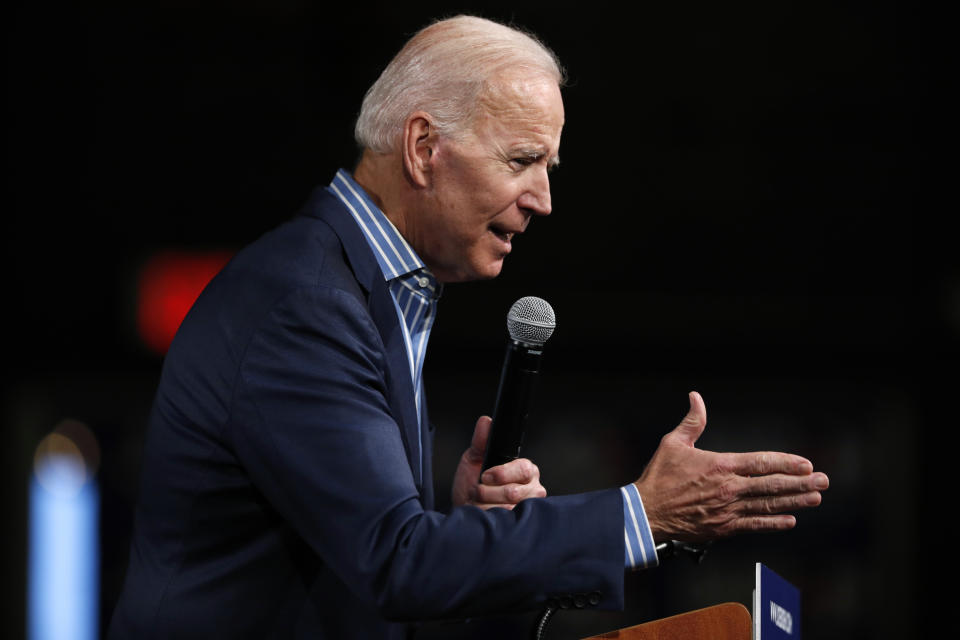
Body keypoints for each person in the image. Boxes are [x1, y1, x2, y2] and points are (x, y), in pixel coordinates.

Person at [108, 15, 829, 639]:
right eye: (522, 160)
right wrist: (640, 514)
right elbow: (399, 563)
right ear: (423, 148)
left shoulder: (369, 287)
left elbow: (366, 556)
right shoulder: (307, 303)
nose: (543, 200)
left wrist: (459, 527)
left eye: (548, 165)